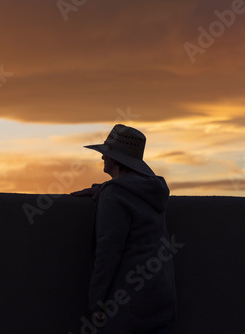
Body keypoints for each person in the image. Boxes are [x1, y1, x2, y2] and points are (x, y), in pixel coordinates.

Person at [71, 124, 177, 334]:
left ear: (115, 160)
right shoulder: (150, 191)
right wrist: (105, 188)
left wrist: (97, 301)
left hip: (129, 301)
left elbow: (108, 252)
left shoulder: (115, 196)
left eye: (106, 154)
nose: (102, 158)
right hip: (159, 294)